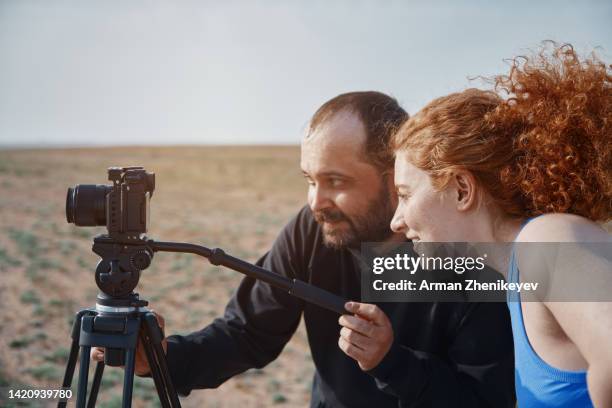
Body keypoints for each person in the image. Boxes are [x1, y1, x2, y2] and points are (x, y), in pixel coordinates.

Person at [93, 91, 516, 407]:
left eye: (336, 181)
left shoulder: (465, 253)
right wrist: (162, 358)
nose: (316, 202)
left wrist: (393, 362)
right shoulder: (315, 229)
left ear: (394, 177)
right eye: (310, 180)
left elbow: (484, 400)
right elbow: (247, 333)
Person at [388, 43, 612, 407]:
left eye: (405, 194)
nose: (396, 221)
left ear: (462, 189)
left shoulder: (547, 239)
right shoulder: (519, 278)